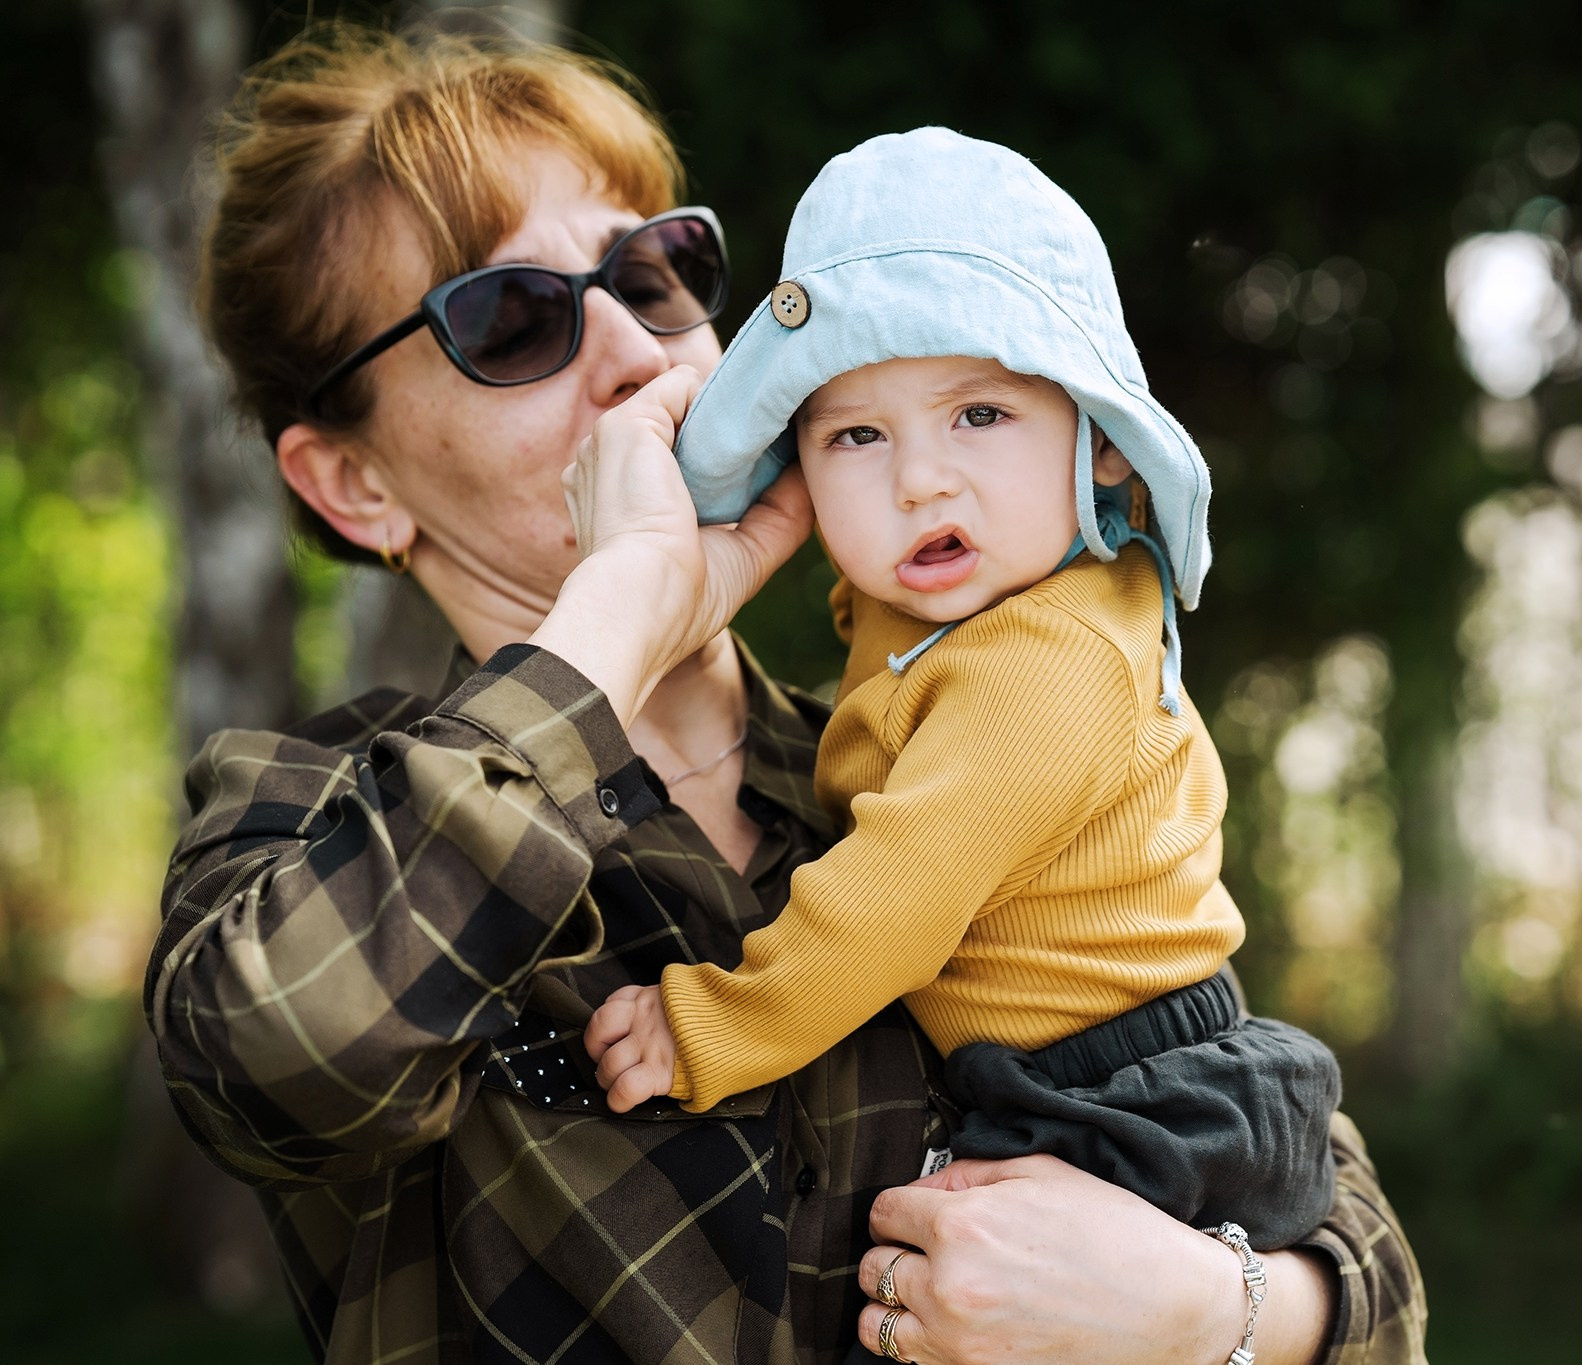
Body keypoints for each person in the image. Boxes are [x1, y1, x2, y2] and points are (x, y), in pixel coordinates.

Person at [144, 20, 1427, 1365]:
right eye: (511, 316)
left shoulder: (911, 745)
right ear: (354, 481)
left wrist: (1199, 1310)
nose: (634, 349)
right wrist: (616, 618)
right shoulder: (307, 818)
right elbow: (280, 1060)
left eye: (656, 271)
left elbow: (1369, 1276)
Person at [588, 129, 1342, 1263]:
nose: (918, 477)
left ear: (1101, 449)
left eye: (979, 415)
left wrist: (708, 1025)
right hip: (1059, 1072)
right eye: (854, 434)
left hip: (1127, 1097)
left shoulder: (1047, 665)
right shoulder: (942, 613)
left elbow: (892, 903)